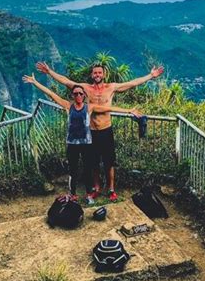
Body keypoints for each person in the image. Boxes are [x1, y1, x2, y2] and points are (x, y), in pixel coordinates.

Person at [36, 61, 163, 201]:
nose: (97, 75)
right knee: (93, 163)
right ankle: (96, 188)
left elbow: (132, 83)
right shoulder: (84, 89)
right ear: (92, 74)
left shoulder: (112, 87)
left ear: (104, 74)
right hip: (91, 132)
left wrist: (150, 76)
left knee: (109, 163)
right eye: (95, 72)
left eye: (99, 72)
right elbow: (66, 81)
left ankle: (111, 189)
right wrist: (49, 72)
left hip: (106, 130)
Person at [23, 73, 141, 204]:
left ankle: (89, 194)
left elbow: (109, 108)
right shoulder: (68, 106)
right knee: (73, 170)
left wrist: (128, 110)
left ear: (84, 95)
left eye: (80, 93)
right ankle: (72, 194)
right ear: (72, 96)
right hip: (72, 144)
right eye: (75, 94)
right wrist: (35, 82)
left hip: (86, 144)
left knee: (88, 169)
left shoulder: (89, 107)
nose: (78, 96)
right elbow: (51, 94)